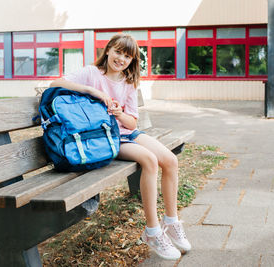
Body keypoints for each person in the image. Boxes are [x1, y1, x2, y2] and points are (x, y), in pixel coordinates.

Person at [50, 33, 191, 260]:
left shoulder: (128, 82)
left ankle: (171, 222)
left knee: (171, 161)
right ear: (108, 50)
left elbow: (132, 122)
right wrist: (92, 91)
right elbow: (55, 83)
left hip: (127, 132)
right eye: (118, 52)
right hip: (107, 138)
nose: (121, 59)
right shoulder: (91, 74)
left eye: (127, 56)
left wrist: (120, 114)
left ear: (131, 60)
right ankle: (152, 231)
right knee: (149, 160)